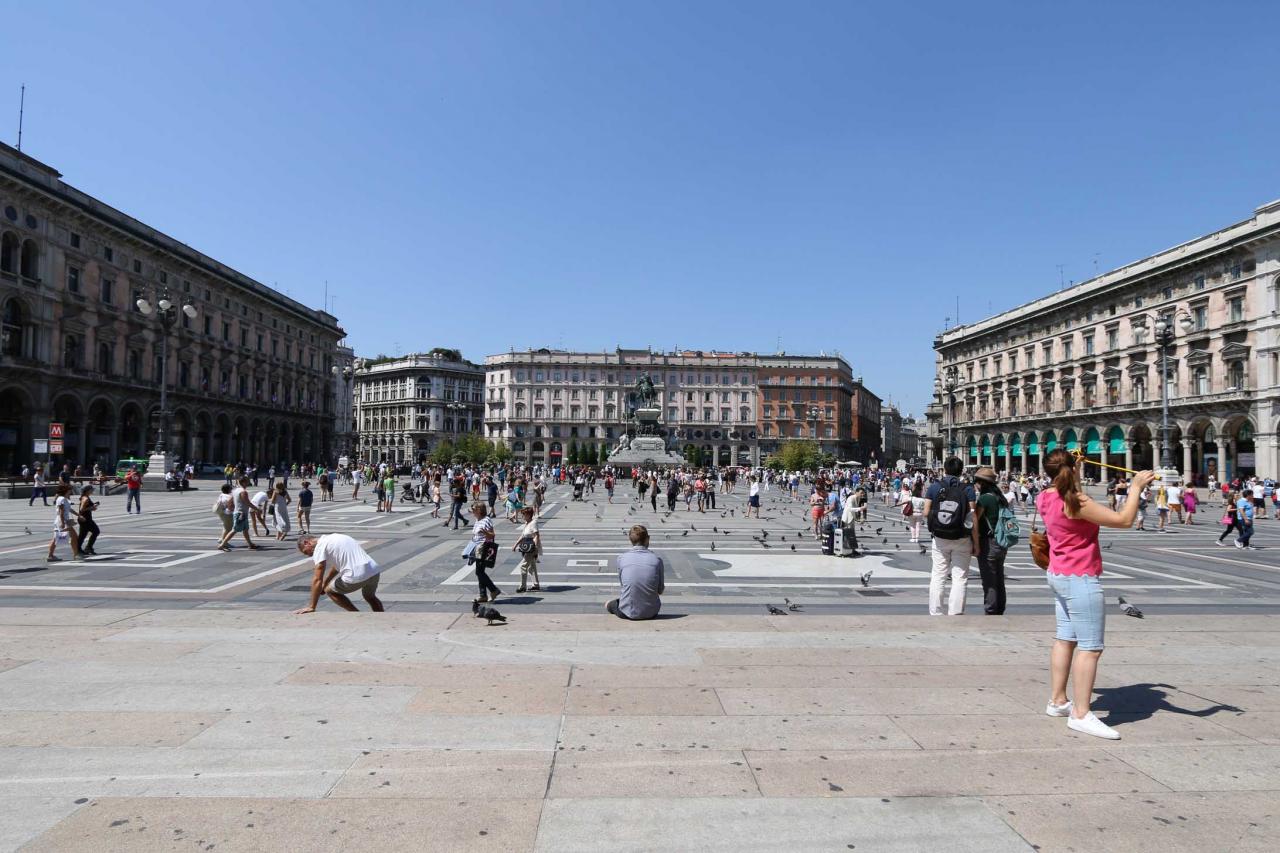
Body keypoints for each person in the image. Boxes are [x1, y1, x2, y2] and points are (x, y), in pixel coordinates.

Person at [1038, 448, 1155, 740]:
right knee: (1090, 647)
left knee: (1065, 638)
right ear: (1073, 469)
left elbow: (1067, 487)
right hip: (1080, 577)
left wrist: (1072, 469)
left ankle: (1057, 700)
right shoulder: (1076, 501)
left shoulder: (1045, 496)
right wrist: (1136, 488)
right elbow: (1124, 520)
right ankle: (1080, 714)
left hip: (1058, 573)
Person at [923, 457, 977, 616]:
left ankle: (936, 612)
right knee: (960, 577)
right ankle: (956, 614)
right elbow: (971, 517)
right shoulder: (968, 489)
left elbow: (926, 512)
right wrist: (977, 543)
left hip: (940, 537)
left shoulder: (934, 487)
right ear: (961, 471)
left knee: (938, 575)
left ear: (944, 470)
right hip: (962, 538)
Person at [293, 533, 384, 613]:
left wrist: (311, 606)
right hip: (374, 570)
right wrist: (326, 582)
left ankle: (355, 613)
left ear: (307, 543)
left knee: (330, 591)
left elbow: (317, 578)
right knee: (370, 596)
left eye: (306, 552)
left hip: (356, 575)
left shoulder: (320, 547)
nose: (309, 555)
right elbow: (337, 566)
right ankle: (382, 618)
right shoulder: (337, 537)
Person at [606, 524, 665, 620]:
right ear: (648, 538)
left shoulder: (621, 558)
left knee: (609, 604)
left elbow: (623, 585)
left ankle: (610, 605)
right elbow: (660, 590)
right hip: (652, 611)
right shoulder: (657, 560)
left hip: (627, 612)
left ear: (630, 540)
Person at [972, 467, 1008, 616]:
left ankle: (991, 609)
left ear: (981, 483)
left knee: (989, 579)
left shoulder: (985, 498)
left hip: (988, 543)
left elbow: (975, 520)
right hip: (1001, 541)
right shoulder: (1001, 497)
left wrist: (975, 544)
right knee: (999, 576)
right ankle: (1000, 607)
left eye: (976, 482)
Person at [466, 502, 501, 602]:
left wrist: (485, 532)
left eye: (474, 510)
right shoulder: (478, 520)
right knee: (480, 572)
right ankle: (483, 595)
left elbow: (492, 535)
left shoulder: (487, 520)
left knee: (479, 572)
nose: (472, 512)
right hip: (477, 548)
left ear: (479, 510)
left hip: (484, 548)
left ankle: (493, 590)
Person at [47, 483, 83, 562]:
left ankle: (50, 556)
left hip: (61, 520)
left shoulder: (64, 499)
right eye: (70, 490)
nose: (71, 491)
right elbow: (61, 512)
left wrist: (78, 515)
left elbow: (69, 509)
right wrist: (63, 523)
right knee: (74, 537)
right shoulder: (62, 499)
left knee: (55, 538)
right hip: (62, 520)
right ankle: (76, 555)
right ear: (66, 490)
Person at [513, 506, 542, 593]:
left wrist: (535, 548)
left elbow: (536, 535)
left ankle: (522, 586)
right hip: (526, 546)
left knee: (523, 566)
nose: (522, 516)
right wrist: (515, 545)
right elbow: (523, 536)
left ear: (529, 515)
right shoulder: (527, 523)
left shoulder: (533, 523)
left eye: (524, 514)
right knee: (531, 567)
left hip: (531, 547)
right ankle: (536, 585)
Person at [76, 485, 101, 556]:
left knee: (82, 535)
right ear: (87, 490)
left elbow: (86, 507)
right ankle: (87, 548)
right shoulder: (85, 498)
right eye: (91, 490)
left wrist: (93, 506)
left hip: (85, 518)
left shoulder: (85, 497)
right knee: (96, 531)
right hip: (85, 519)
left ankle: (79, 549)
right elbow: (81, 509)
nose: (92, 491)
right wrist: (91, 508)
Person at [214, 483, 236, 549]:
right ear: (229, 489)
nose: (231, 489)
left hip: (221, 513)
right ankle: (224, 542)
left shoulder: (221, 495)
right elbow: (232, 506)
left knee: (226, 527)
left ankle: (222, 539)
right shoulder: (229, 497)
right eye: (230, 488)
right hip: (227, 514)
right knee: (229, 529)